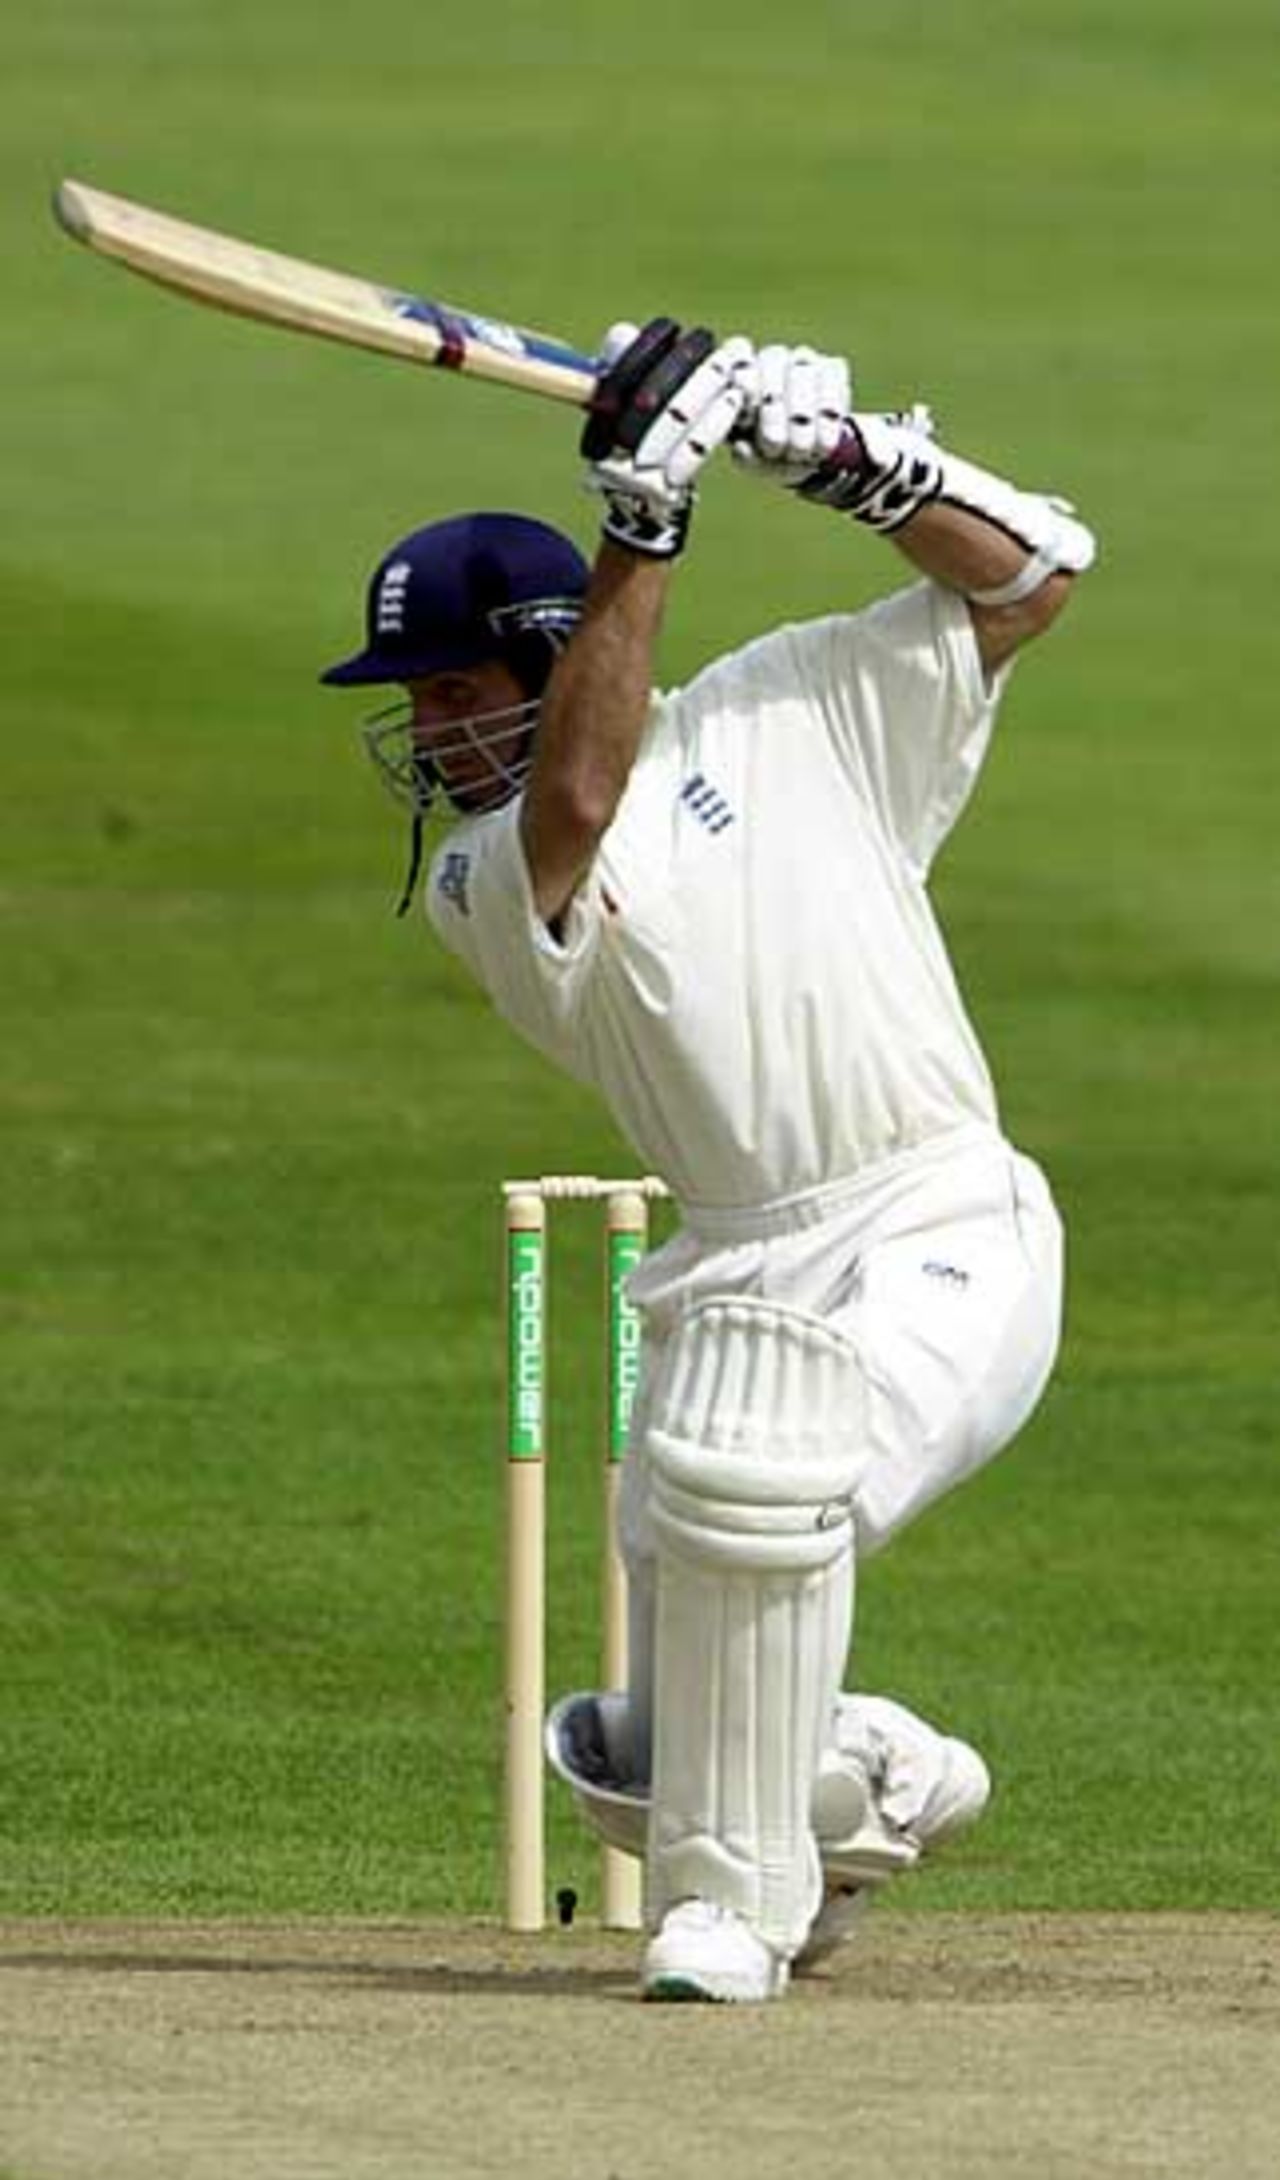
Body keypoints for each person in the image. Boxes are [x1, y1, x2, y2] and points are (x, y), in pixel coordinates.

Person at [322, 319, 1096, 2002]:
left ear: (543, 653)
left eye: (453, 689)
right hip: (735, 1262)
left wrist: (855, 471)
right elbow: (583, 801)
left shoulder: (797, 704)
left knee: (766, 1480)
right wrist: (648, 515)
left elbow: (1033, 575)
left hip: (939, 1222)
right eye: (420, 704)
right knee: (644, 1750)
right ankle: (867, 1779)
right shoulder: (481, 876)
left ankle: (731, 1914)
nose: (430, 733)